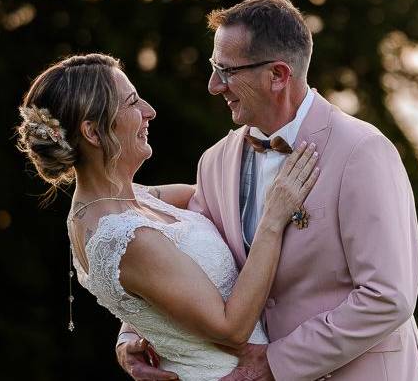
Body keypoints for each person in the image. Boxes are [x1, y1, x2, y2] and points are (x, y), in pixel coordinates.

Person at [117, 0, 418, 381]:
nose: (214, 85)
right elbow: (186, 257)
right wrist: (135, 333)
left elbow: (388, 296)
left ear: (278, 75)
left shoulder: (361, 151)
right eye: (213, 67)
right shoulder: (215, 161)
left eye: (226, 70)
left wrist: (277, 362)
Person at [17, 53, 320, 380]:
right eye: (132, 102)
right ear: (92, 132)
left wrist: (129, 334)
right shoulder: (126, 237)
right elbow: (231, 328)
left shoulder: (130, 201)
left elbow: (209, 197)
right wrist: (273, 220)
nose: (149, 111)